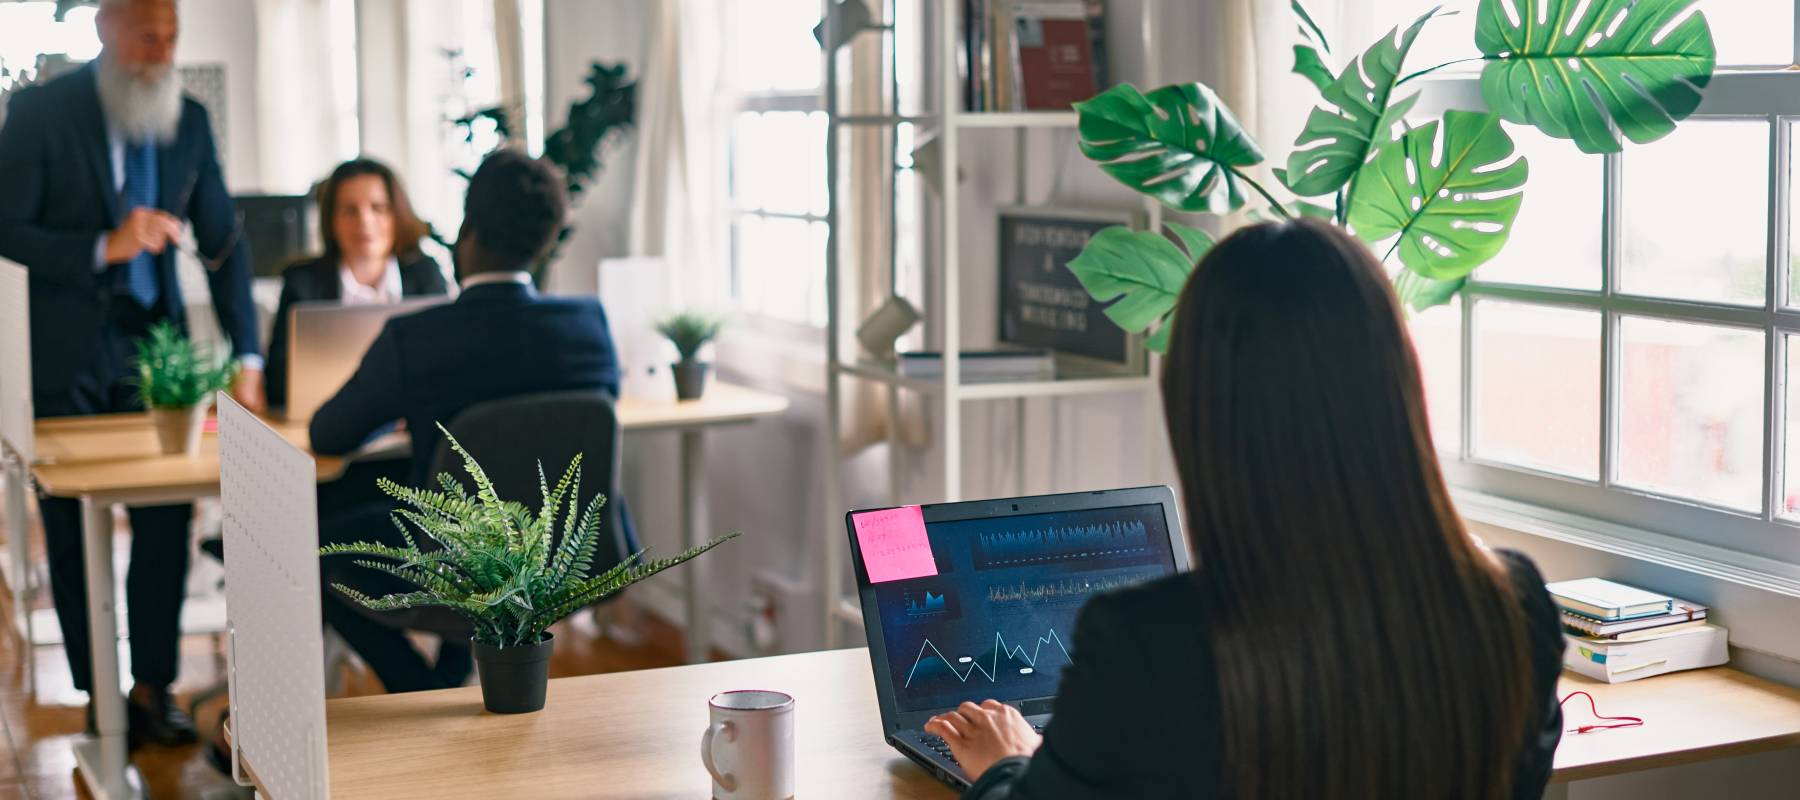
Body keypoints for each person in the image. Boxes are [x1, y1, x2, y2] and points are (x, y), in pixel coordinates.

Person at [929, 220, 1565, 799]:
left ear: (1202, 411)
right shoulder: (1515, 606)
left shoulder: (1145, 645)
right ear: (1396, 388)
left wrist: (1008, 763)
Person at [0, 0, 262, 746]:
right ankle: (100, 697)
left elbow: (224, 243)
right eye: (148, 30)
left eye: (172, 33)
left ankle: (153, 684)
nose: (162, 47)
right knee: (74, 520)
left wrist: (247, 354)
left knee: (165, 521)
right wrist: (100, 247)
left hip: (160, 358)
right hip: (65, 353)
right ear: (105, 27)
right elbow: (6, 226)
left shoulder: (190, 120)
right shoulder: (42, 112)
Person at [307, 149, 625, 693]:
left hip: (452, 554)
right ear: (546, 241)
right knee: (473, 540)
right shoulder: (588, 326)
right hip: (565, 549)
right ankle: (451, 680)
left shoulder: (419, 338)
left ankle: (415, 685)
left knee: (311, 550)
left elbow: (328, 434)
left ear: (466, 233)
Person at [264, 158, 448, 410]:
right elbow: (276, 383)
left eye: (378, 208)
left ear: (397, 214)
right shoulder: (302, 283)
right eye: (350, 210)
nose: (365, 221)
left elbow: (445, 364)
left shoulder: (425, 275)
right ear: (331, 221)